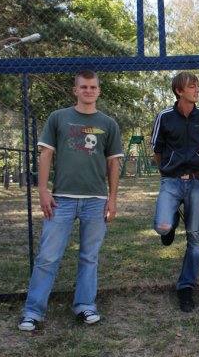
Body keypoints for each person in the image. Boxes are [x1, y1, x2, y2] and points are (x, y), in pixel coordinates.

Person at [18, 70, 123, 331]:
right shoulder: (58, 118)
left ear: (98, 90)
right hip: (61, 200)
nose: (89, 91)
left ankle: (85, 305)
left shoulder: (108, 123)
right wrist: (43, 191)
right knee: (48, 257)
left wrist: (112, 199)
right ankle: (33, 311)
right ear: (75, 90)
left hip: (96, 200)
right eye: (84, 87)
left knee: (89, 257)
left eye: (93, 87)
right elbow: (45, 155)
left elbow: (113, 163)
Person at [150, 71, 199, 312]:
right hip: (171, 182)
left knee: (194, 238)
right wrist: (167, 172)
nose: (197, 89)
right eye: (192, 86)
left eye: (198, 85)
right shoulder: (165, 117)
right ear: (179, 91)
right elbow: (157, 150)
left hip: (197, 182)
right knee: (162, 227)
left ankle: (186, 288)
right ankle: (170, 224)